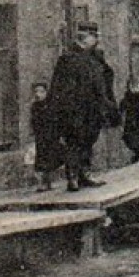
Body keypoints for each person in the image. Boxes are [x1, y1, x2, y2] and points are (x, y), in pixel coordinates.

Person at [47, 21, 118, 191]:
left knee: (88, 140)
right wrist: (66, 110)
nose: (97, 40)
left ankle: (85, 174)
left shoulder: (95, 57)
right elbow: (60, 88)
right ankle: (73, 177)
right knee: (74, 141)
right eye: (94, 37)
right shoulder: (68, 58)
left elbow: (105, 79)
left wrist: (106, 103)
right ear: (86, 37)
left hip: (93, 109)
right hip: (75, 110)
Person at [28, 82, 62, 191]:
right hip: (41, 137)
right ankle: (42, 183)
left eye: (41, 92)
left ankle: (48, 182)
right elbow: (33, 122)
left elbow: (55, 120)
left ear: (46, 93)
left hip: (51, 136)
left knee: (51, 158)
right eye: (36, 92)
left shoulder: (51, 105)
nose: (38, 94)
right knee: (41, 159)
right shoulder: (35, 107)